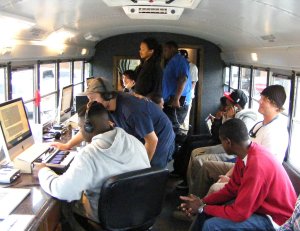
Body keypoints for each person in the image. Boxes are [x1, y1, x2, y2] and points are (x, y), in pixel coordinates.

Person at [34, 102, 151, 223]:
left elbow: (63, 191)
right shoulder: (134, 141)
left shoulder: (89, 155)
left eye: (80, 127)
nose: (80, 131)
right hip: (139, 214)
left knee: (67, 205)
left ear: (88, 128)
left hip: (107, 220)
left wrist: (42, 171)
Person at [180, 118, 297, 231]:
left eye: (222, 141)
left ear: (228, 142)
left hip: (276, 218)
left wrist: (202, 208)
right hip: (262, 209)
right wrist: (203, 202)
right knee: (204, 214)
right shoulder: (246, 155)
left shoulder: (257, 165)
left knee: (211, 225)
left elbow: (240, 213)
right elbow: (232, 188)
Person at [188, 85, 289, 197]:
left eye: (265, 100)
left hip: (255, 180)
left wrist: (232, 179)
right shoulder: (259, 125)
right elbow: (244, 157)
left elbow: (262, 171)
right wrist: (230, 174)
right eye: (261, 97)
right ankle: (192, 201)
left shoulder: (275, 132)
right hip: (242, 168)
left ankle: (198, 210)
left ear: (276, 106)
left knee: (215, 187)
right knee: (206, 166)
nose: (260, 101)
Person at [52, 77, 175, 168]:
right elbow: (88, 127)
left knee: (150, 174)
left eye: (93, 98)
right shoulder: (104, 107)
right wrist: (68, 145)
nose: (90, 103)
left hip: (160, 137)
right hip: (143, 137)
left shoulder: (131, 109)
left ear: (107, 96)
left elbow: (152, 140)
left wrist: (142, 170)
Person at [174, 89, 257, 189]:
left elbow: (228, 138)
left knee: (195, 151)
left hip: (229, 148)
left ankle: (190, 184)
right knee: (190, 140)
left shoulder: (246, 120)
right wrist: (219, 119)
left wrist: (227, 119)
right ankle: (182, 174)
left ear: (236, 106)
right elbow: (217, 134)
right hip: (221, 141)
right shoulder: (228, 113)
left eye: (230, 103)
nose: (227, 104)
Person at [162, 41, 192, 134]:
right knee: (168, 128)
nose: (164, 53)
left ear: (171, 49)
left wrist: (176, 99)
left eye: (165, 50)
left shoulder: (178, 60)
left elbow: (183, 79)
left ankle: (173, 148)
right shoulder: (172, 61)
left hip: (176, 102)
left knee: (172, 130)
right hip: (170, 101)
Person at [178, 49, 199, 133]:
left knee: (184, 119)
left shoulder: (193, 67)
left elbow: (193, 83)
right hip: (178, 95)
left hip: (187, 97)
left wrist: (185, 95)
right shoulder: (179, 66)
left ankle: (183, 136)